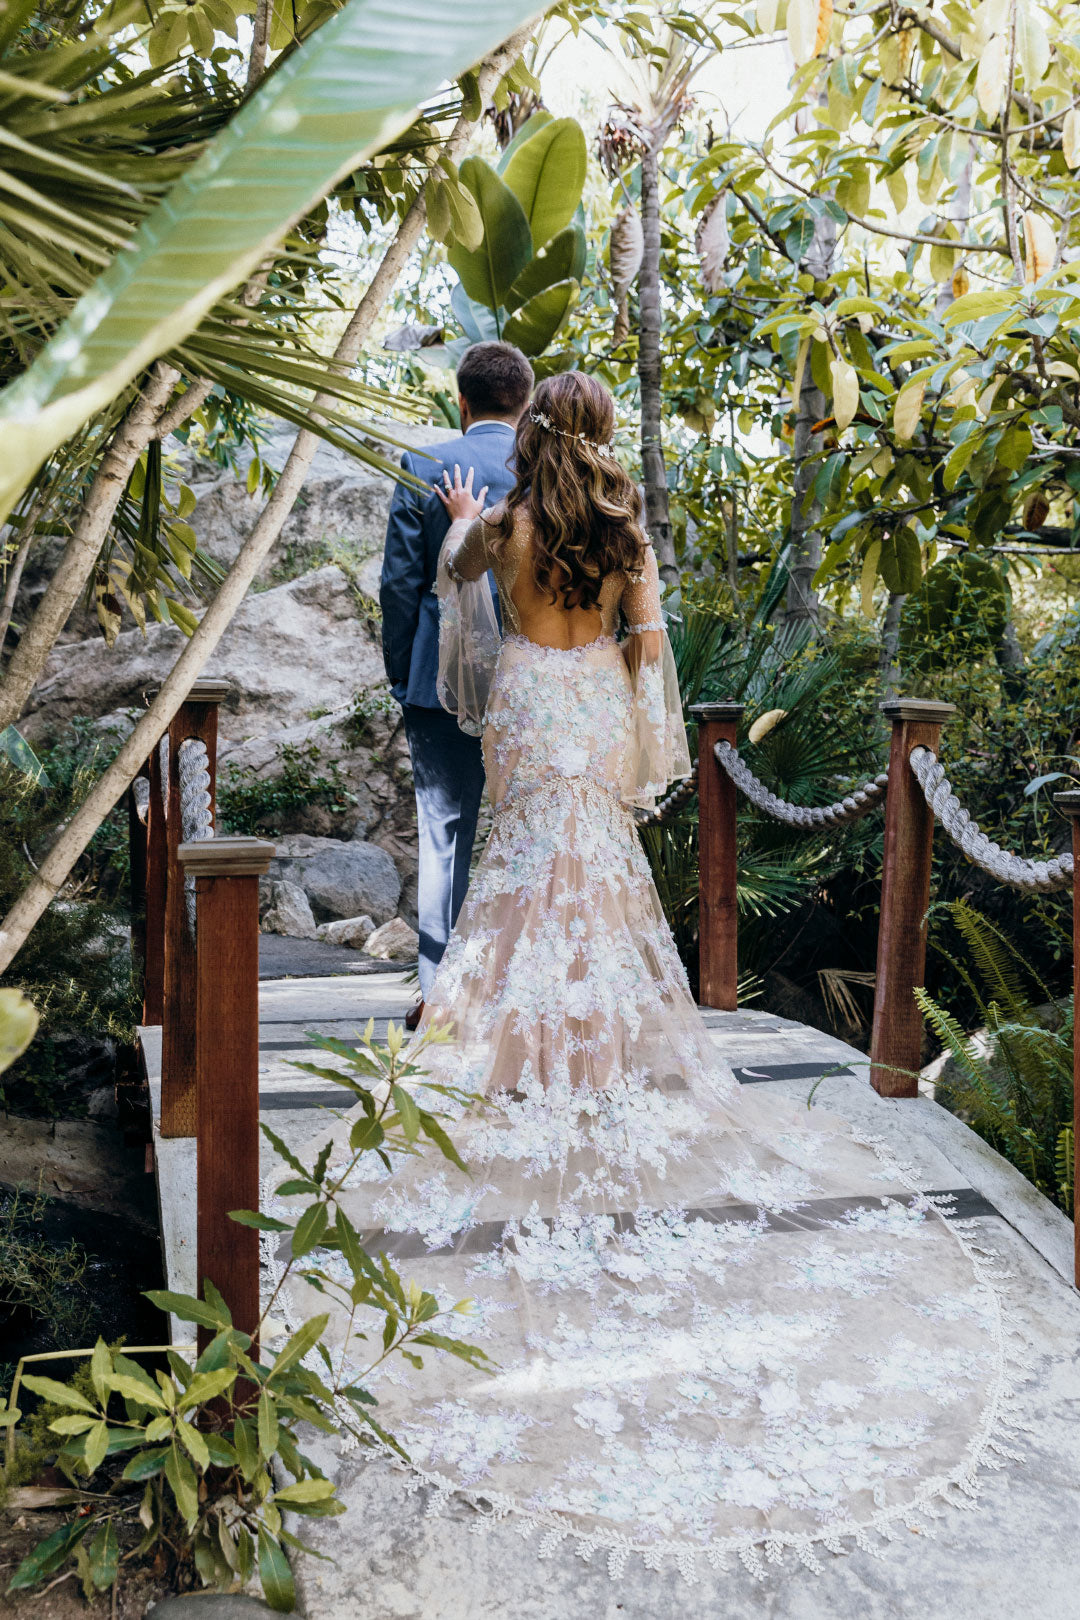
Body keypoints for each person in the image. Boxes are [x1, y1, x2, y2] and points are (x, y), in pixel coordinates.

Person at [288, 373, 1014, 1582]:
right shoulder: (626, 532)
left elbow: (453, 603)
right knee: (599, 892)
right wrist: (638, 743)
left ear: (527, 433)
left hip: (522, 708)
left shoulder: (505, 525)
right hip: (587, 713)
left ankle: (513, 1062)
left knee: (516, 892)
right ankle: (596, 1060)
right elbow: (650, 654)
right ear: (606, 436)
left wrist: (469, 516)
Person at [379, 341, 533, 1024]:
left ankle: (439, 994)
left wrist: (400, 668)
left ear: (461, 402)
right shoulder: (545, 470)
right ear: (526, 404)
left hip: (436, 680)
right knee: (531, 829)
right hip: (537, 680)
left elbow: (399, 585)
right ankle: (518, 987)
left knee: (444, 832)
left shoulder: (425, 464)